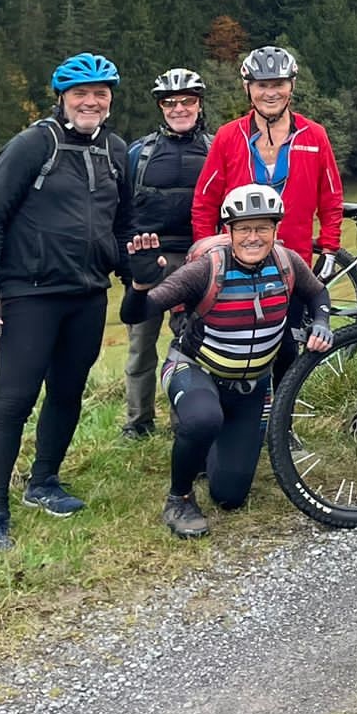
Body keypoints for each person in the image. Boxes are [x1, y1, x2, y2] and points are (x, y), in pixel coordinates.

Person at [0, 52, 135, 551]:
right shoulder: (33, 145)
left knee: (67, 392)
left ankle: (43, 483)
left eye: (100, 94)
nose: (91, 101)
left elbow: (121, 224)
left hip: (88, 294)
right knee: (13, 401)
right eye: (81, 93)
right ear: (62, 98)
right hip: (30, 294)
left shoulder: (115, 150)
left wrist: (133, 272)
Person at [120, 183, 333, 537]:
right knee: (203, 419)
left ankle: (205, 444)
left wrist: (322, 322)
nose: (253, 237)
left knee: (230, 496)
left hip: (251, 388)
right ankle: (179, 499)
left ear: (275, 229)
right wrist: (140, 286)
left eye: (262, 227)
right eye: (244, 228)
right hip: (195, 369)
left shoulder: (287, 262)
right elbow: (135, 314)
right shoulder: (207, 269)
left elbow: (318, 293)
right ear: (228, 231)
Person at [120, 68, 213, 439]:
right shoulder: (138, 153)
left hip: (196, 260)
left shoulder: (215, 148)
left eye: (187, 101)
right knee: (141, 346)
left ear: (199, 104)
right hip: (148, 262)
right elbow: (122, 209)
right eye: (170, 102)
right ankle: (137, 422)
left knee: (192, 344)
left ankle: (186, 420)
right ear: (160, 107)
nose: (179, 109)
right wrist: (125, 262)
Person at [190, 45, 344, 267]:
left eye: (279, 84)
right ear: (247, 87)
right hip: (235, 262)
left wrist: (330, 247)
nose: (271, 93)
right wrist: (206, 249)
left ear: (292, 86)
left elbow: (331, 198)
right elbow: (205, 201)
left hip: (294, 261)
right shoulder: (228, 136)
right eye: (262, 85)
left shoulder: (314, 135)